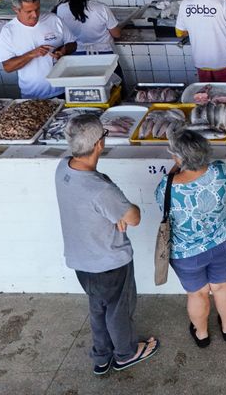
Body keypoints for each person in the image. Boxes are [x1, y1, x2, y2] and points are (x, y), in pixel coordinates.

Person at [55, 113, 159, 375]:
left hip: (81, 260)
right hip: (109, 261)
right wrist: (119, 211)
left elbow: (105, 208)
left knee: (97, 307)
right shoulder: (100, 190)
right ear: (99, 144)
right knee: (118, 310)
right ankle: (125, 354)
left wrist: (113, 213)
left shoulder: (63, 169)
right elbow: (133, 217)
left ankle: (101, 357)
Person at [156, 129, 226, 348]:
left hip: (188, 252)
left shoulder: (166, 187)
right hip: (223, 240)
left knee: (197, 293)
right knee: (222, 285)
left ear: (178, 158)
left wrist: (176, 168)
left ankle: (202, 334)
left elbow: (165, 210)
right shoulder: (220, 170)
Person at [0, 0, 76, 98]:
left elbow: (72, 43)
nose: (35, 15)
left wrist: (63, 51)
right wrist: (31, 54)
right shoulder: (8, 31)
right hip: (32, 95)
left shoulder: (53, 19)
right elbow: (8, 67)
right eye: (29, 11)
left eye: (37, 9)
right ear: (16, 9)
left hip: (63, 91)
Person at [56, 0, 121, 53]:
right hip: (104, 55)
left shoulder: (61, 10)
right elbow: (117, 34)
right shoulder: (101, 9)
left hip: (77, 56)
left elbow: (63, 36)